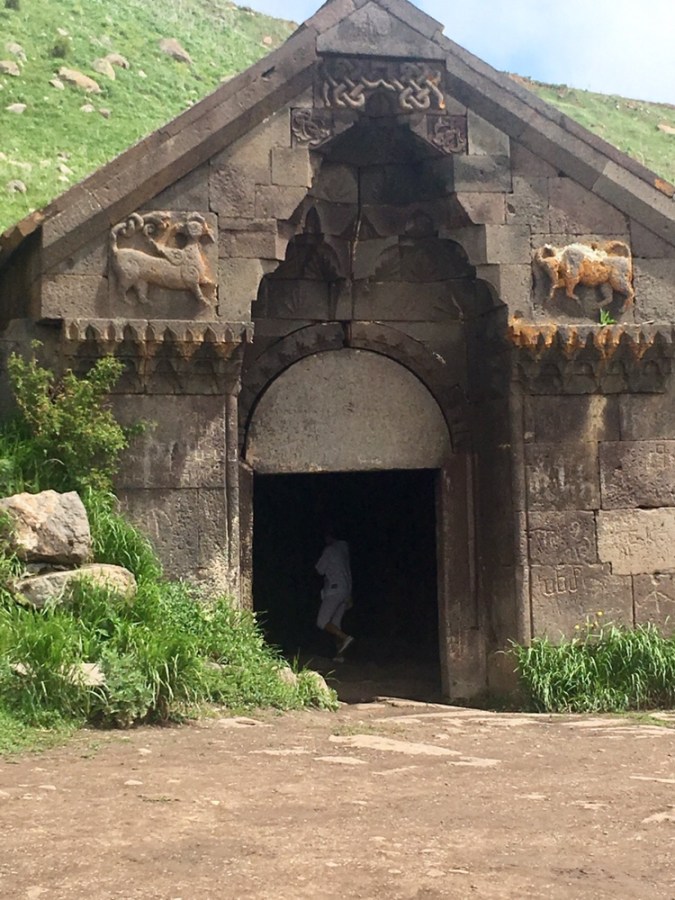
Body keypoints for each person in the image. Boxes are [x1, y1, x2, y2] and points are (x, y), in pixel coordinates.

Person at [315, 528, 354, 662]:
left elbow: (319, 569)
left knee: (322, 621)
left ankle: (345, 638)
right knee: (335, 624)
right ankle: (340, 655)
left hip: (334, 589)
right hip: (345, 590)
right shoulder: (344, 551)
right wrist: (349, 595)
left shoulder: (330, 550)